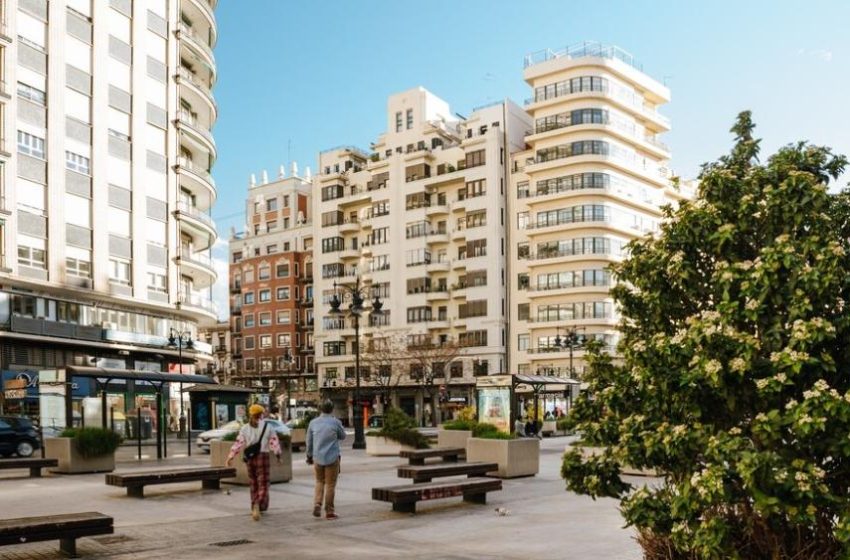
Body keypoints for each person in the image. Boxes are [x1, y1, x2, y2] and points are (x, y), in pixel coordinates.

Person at [225, 404, 282, 521]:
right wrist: (278, 455)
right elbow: (274, 443)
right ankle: (258, 503)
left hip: (250, 458)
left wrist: (230, 456)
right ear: (262, 414)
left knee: (253, 483)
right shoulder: (267, 427)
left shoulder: (245, 428)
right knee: (264, 483)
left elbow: (238, 443)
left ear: (250, 415)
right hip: (263, 457)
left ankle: (254, 505)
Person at [306, 400, 346, 520]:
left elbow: (309, 442)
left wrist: (309, 456)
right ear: (332, 409)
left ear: (320, 409)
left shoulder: (313, 423)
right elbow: (343, 436)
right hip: (332, 457)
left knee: (319, 481)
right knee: (330, 485)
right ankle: (329, 511)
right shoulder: (335, 422)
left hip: (318, 458)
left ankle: (317, 504)